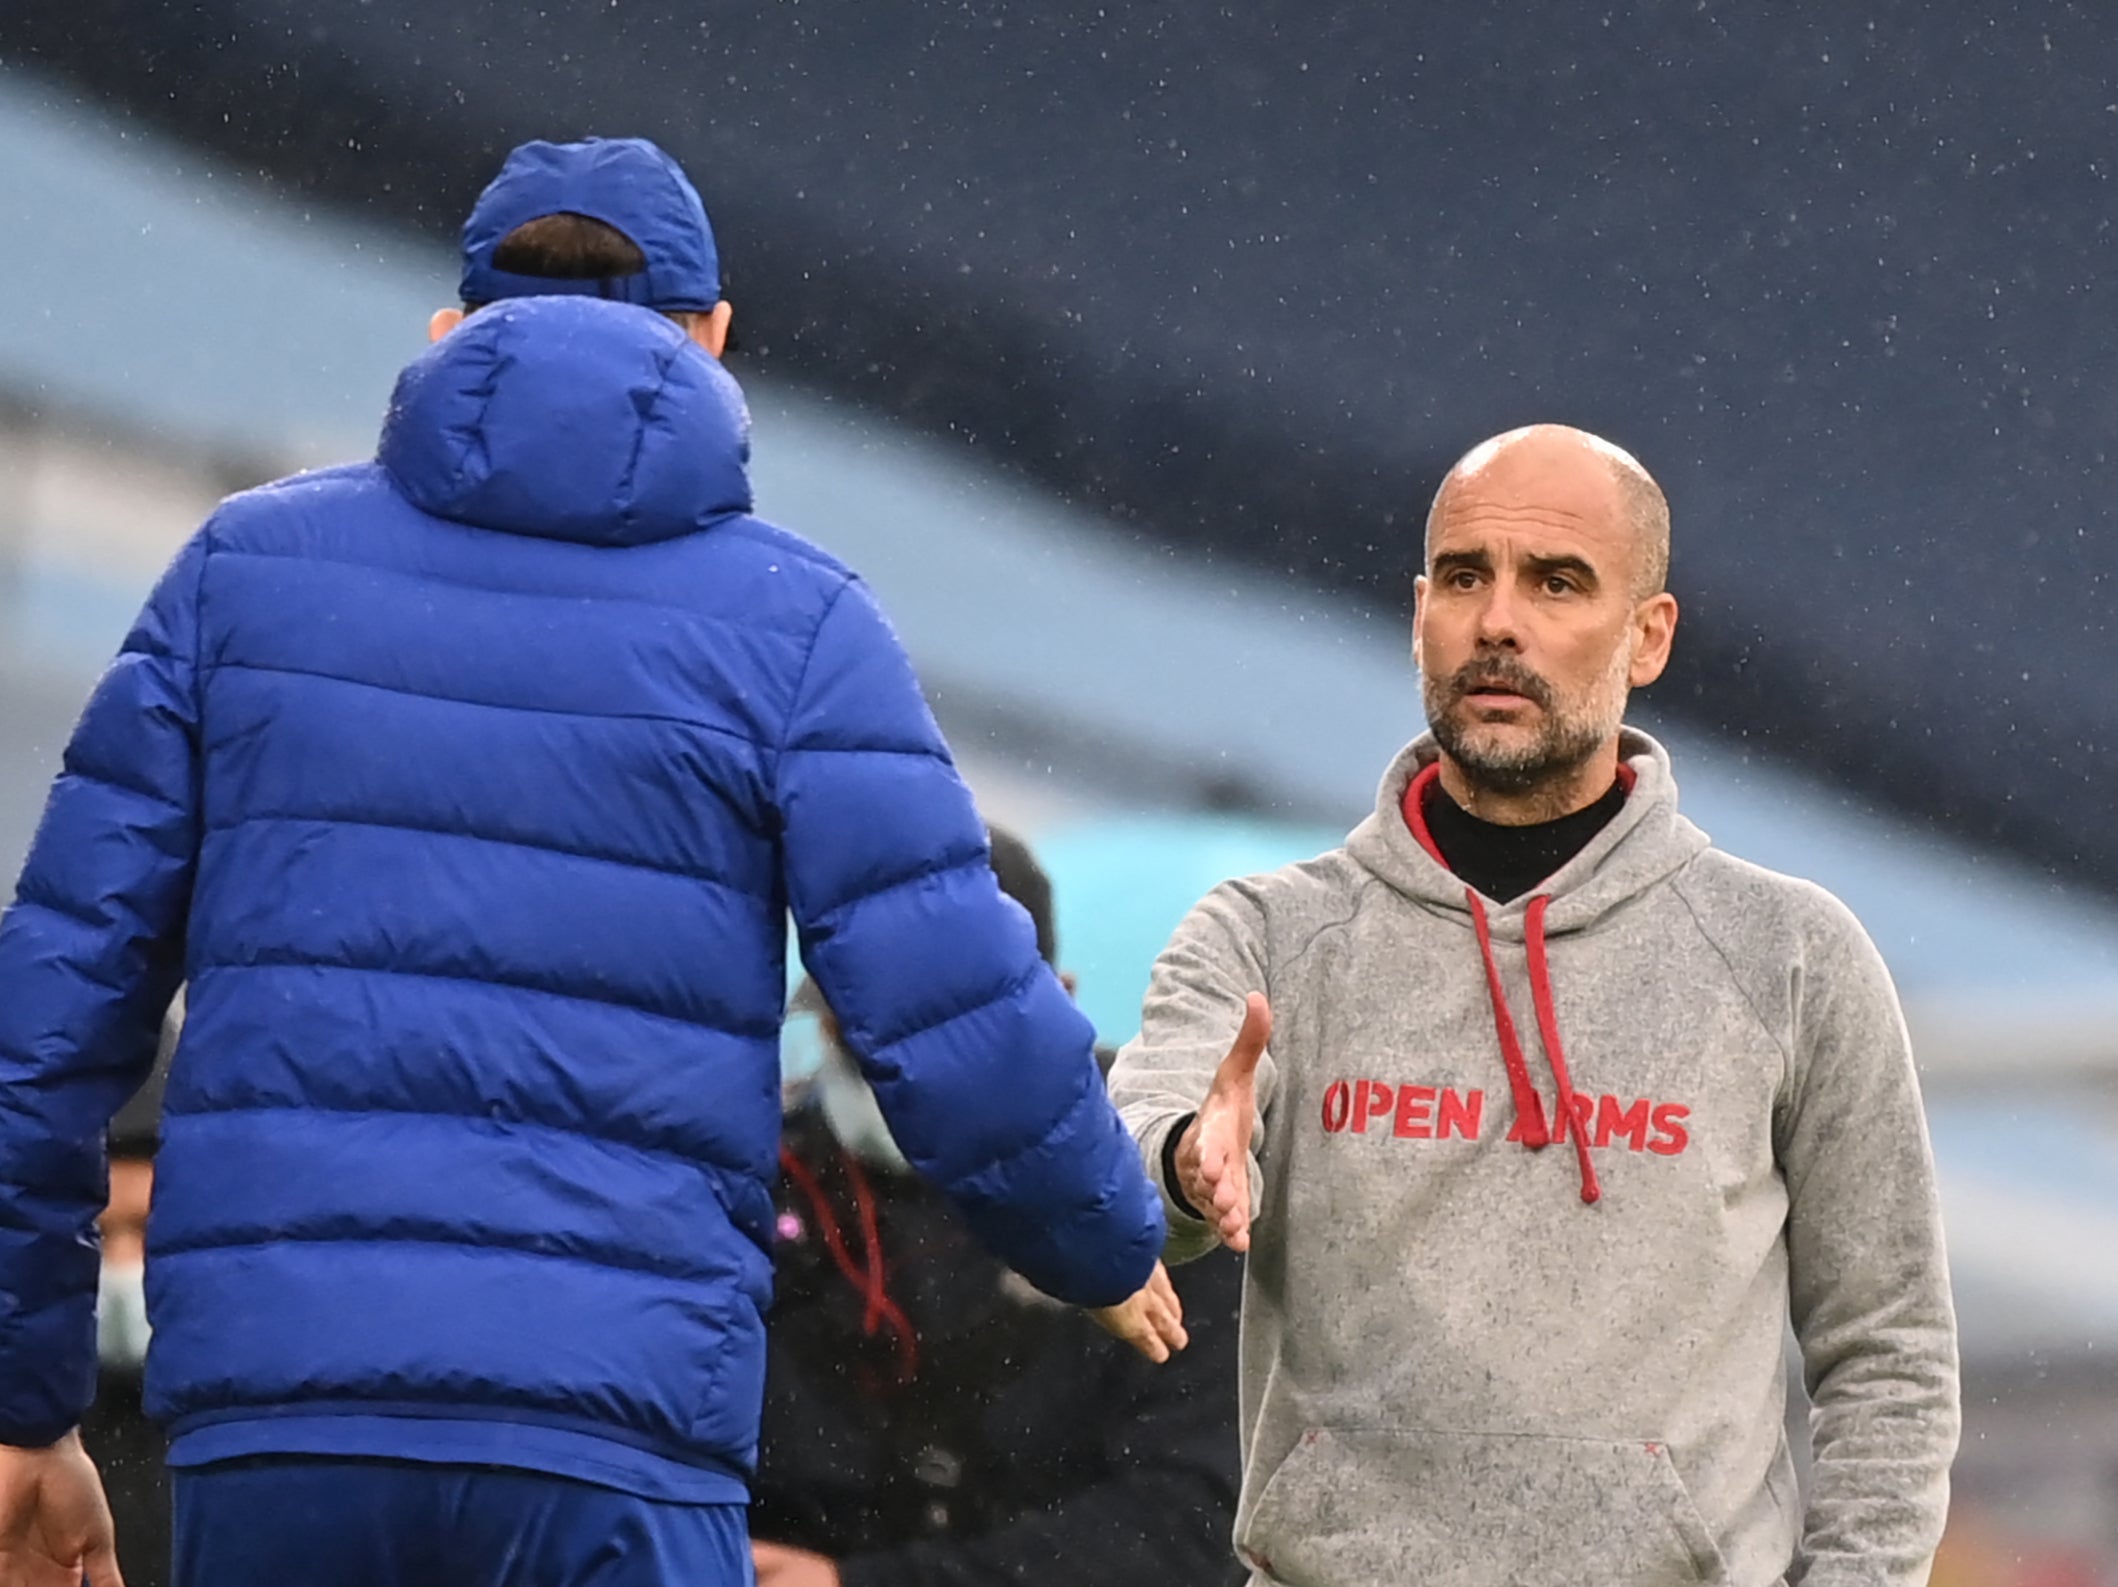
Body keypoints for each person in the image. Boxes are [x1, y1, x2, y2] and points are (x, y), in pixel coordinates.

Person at [0, 136, 1182, 1587]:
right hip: (616, 1438)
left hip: (286, 1417)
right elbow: (949, 1003)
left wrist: (22, 1401)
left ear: (451, 335)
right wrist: (1106, 1237)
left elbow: (52, 1013)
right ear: (715, 344)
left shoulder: (238, 575)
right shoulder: (798, 625)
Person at [1107, 424, 1960, 1587]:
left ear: (1649, 636)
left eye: (1556, 583)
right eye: (1465, 577)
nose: (1497, 622)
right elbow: (1142, 1162)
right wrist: (1179, 1167)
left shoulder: (1794, 959)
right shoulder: (1266, 934)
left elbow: (1891, 1356)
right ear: (1421, 613)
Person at [750, 826, 1244, 1587]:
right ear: (821, 1015)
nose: (910, 1074)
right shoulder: (758, 1179)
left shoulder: (1160, 1187)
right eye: (871, 1028)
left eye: (958, 1027)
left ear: (1062, 1004)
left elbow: (1187, 1522)